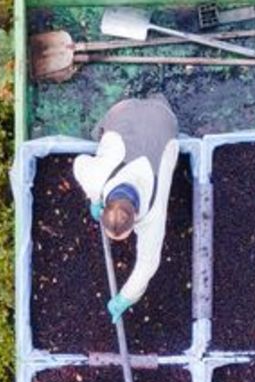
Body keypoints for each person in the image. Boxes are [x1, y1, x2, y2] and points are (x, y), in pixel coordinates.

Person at [72, 96, 180, 323]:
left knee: (163, 146)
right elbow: (79, 163)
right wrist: (94, 197)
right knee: (105, 131)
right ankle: (154, 100)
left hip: (163, 119)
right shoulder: (96, 180)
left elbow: (147, 264)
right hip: (126, 111)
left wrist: (126, 297)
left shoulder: (153, 214)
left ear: (136, 220)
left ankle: (157, 101)